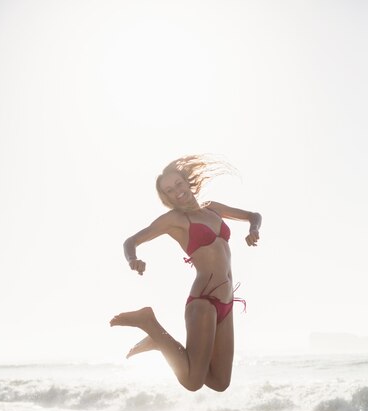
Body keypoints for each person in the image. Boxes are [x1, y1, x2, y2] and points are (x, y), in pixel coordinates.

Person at [110, 155, 261, 392]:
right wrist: (134, 260)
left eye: (178, 184)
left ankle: (160, 341)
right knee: (192, 382)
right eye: (169, 190)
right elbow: (131, 241)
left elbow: (254, 216)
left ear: (187, 182)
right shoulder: (176, 220)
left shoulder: (214, 209)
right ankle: (148, 322)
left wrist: (253, 229)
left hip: (227, 302)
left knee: (220, 382)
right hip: (203, 301)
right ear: (166, 198)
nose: (176, 191)